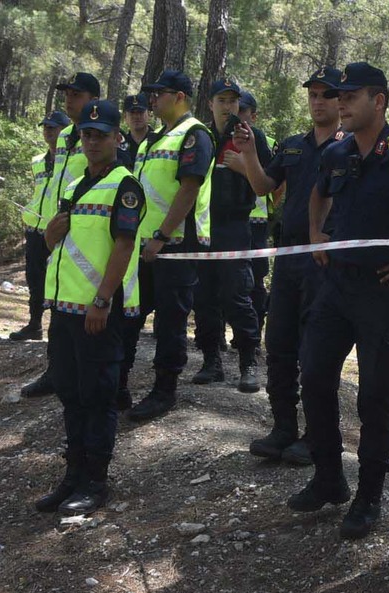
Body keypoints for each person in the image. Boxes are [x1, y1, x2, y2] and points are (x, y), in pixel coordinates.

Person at [288, 62, 389, 540]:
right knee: (315, 375)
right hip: (336, 287)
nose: (340, 102)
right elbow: (317, 197)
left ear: (379, 100)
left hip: (384, 292)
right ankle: (328, 477)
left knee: (375, 397)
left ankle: (368, 496)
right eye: (337, 95)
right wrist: (318, 235)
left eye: (351, 95)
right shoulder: (337, 153)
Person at [229, 65, 344, 466]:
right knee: (278, 344)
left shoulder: (351, 147)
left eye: (326, 94)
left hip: (328, 265)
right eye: (312, 94)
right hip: (288, 259)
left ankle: (316, 435)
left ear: (340, 99)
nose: (317, 101)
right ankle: (283, 427)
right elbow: (262, 186)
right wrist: (247, 155)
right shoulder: (294, 145)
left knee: (316, 352)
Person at [35, 98, 142, 515]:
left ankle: (95, 482)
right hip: (64, 309)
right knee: (69, 391)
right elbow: (60, 244)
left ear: (118, 138)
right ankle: (72, 475)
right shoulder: (75, 184)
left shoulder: (124, 185)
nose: (92, 141)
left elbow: (124, 245)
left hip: (98, 311)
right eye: (86, 134)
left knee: (98, 396)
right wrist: (49, 234)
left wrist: (102, 300)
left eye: (100, 135)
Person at [124, 69, 215, 422]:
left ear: (179, 97)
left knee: (170, 320)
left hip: (175, 245)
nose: (153, 100)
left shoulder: (194, 135)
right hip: (143, 245)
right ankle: (118, 385)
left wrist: (161, 236)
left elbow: (188, 189)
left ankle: (164, 391)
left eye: (160, 93)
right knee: (131, 314)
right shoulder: (151, 141)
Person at [20, 72, 100, 398]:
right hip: (55, 233)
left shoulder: (101, 135)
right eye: (67, 93)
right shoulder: (67, 134)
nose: (69, 99)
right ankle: (56, 371)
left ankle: (90, 378)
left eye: (76, 94)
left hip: (86, 236)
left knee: (83, 309)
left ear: (93, 98)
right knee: (57, 303)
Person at [189, 78, 267, 393]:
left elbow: (268, 182)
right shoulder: (200, 137)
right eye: (221, 101)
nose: (228, 107)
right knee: (203, 295)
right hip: (201, 226)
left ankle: (248, 361)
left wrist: (243, 166)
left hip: (236, 225)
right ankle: (212, 360)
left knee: (237, 293)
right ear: (210, 104)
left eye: (233, 101)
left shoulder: (250, 137)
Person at [11, 110, 71, 343]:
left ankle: (59, 328)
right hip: (35, 228)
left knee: (58, 278)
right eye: (45, 127)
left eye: (53, 127)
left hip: (58, 229)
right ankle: (34, 323)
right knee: (34, 278)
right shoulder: (37, 161)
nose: (48, 131)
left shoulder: (71, 161)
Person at [238, 89, 277, 334]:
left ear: (254, 115)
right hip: (228, 220)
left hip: (257, 220)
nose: (239, 115)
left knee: (256, 278)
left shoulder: (266, 141)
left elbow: (277, 183)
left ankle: (255, 329)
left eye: (243, 111)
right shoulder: (220, 136)